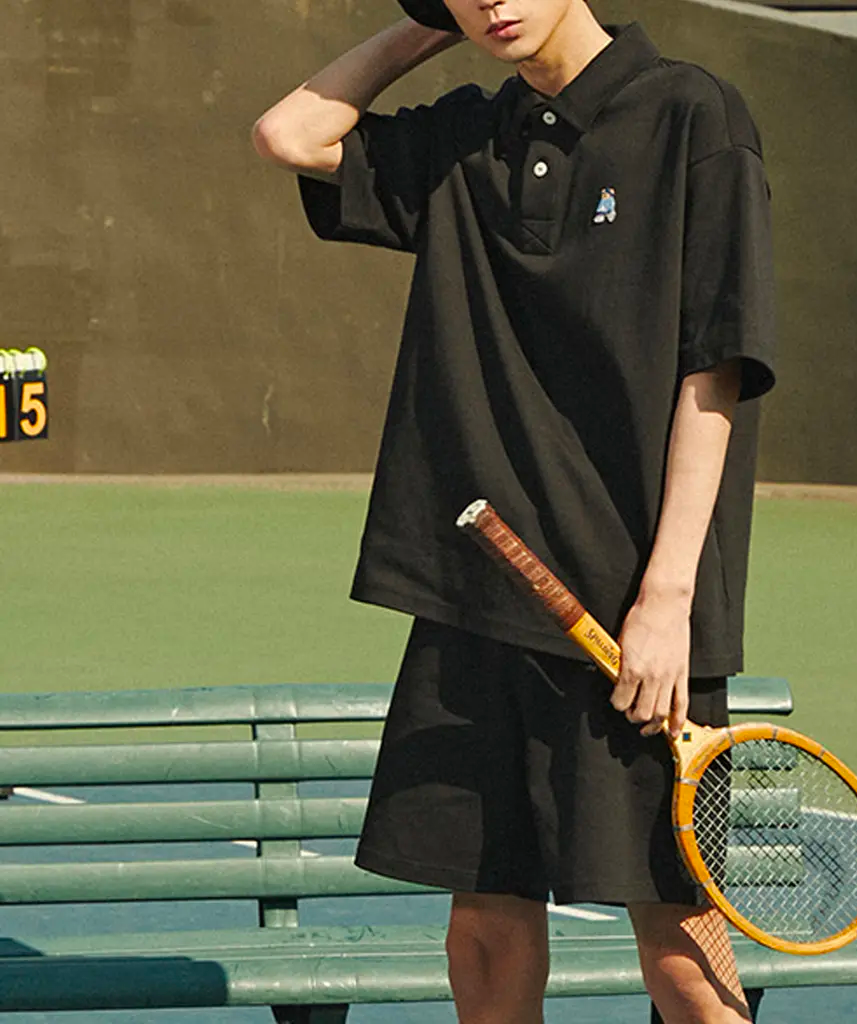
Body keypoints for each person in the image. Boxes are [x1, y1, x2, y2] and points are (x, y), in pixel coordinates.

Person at [253, 1, 775, 1020]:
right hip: (475, 601)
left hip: (633, 622)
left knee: (682, 951)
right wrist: (429, 28)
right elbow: (290, 134)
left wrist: (667, 599)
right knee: (485, 936)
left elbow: (715, 371)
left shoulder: (694, 117)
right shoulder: (467, 135)